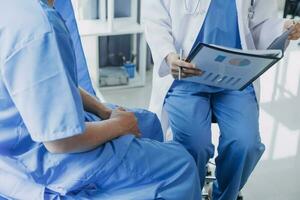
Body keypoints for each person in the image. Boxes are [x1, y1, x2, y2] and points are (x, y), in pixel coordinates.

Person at [0, 0, 201, 199]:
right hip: (38, 159)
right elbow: (59, 142)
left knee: (148, 121)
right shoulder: (40, 27)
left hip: (25, 135)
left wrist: (103, 110)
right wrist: (119, 125)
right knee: (182, 165)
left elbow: (52, 81)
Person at [143, 0, 300, 199]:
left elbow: (260, 23)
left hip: (236, 78)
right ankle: (189, 193)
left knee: (245, 143)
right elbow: (155, 19)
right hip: (186, 77)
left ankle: (226, 194)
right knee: (194, 144)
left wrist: (281, 28)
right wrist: (168, 55)